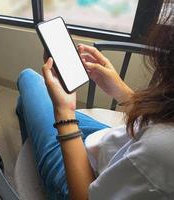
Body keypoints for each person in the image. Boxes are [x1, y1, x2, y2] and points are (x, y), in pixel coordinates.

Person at [16, 2, 174, 199]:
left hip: (85, 182)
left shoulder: (162, 154)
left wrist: (64, 112)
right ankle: (35, 142)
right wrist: (123, 92)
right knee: (28, 99)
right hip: (112, 146)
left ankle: (38, 162)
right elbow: (162, 121)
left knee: (28, 78)